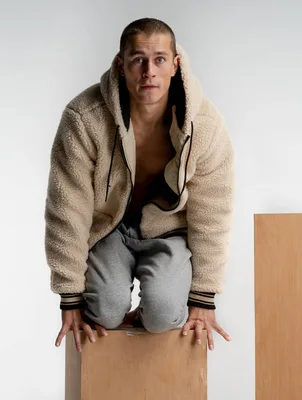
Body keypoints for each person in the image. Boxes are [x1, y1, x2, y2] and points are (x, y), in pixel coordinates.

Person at [45, 18, 234, 353]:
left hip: (169, 232)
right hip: (109, 230)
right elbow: (67, 207)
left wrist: (204, 295)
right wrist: (69, 295)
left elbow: (213, 213)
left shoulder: (205, 126)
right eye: (138, 60)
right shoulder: (83, 118)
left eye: (160, 59)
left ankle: (157, 302)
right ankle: (111, 305)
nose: (149, 71)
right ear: (121, 65)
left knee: (162, 314)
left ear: (175, 65)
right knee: (104, 311)